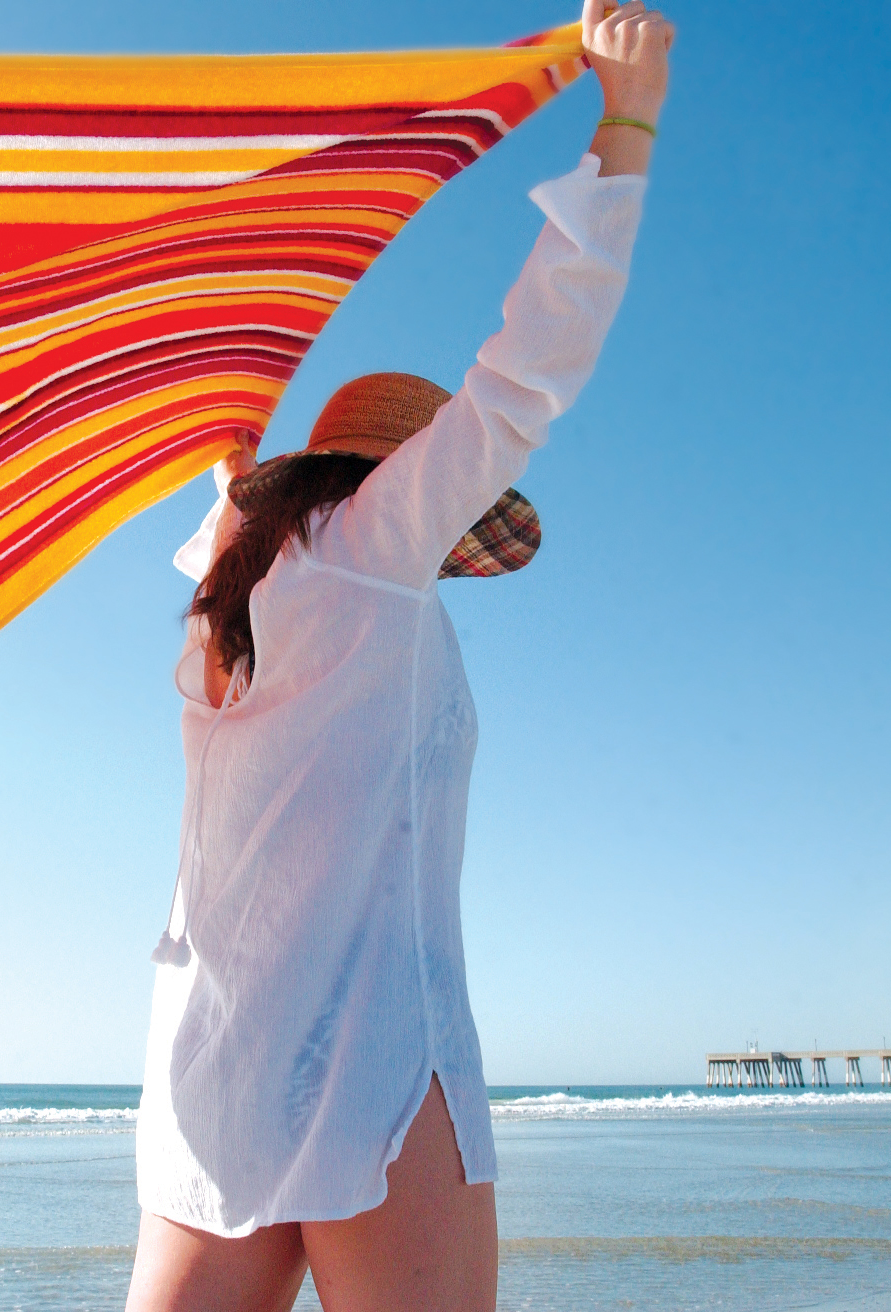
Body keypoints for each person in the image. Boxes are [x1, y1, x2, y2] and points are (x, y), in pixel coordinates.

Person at [126, 3, 672, 1308]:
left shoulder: (225, 586)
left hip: (213, 1060)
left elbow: (223, 478)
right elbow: (532, 366)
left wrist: (233, 432)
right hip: (376, 1049)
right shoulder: (376, 549)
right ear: (404, 474)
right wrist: (629, 122)